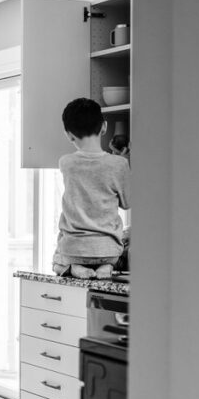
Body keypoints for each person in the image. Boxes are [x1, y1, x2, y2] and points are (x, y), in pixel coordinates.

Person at [51, 98, 131, 279]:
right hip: (108, 250)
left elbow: (91, 171)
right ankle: (106, 267)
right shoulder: (119, 164)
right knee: (109, 257)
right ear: (104, 127)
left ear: (69, 135)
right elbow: (127, 203)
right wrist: (123, 161)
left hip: (75, 249)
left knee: (56, 258)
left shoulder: (66, 162)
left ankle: (72, 268)